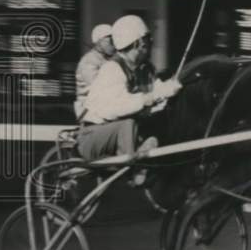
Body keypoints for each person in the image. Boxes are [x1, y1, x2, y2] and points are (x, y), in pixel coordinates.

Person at [76, 15, 182, 183]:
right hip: (92, 138)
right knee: (128, 122)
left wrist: (172, 86)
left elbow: (157, 91)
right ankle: (135, 170)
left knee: (160, 120)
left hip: (122, 135)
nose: (152, 43)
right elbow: (120, 108)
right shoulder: (112, 69)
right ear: (138, 44)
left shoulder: (145, 69)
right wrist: (154, 97)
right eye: (148, 39)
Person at [74, 23, 116, 121]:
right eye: (110, 39)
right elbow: (98, 88)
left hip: (104, 109)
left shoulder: (109, 60)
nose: (114, 43)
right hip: (91, 113)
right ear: (99, 40)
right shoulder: (89, 61)